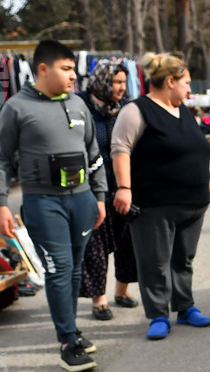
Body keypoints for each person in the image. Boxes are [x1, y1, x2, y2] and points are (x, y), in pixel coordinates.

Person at [0, 39, 107, 372]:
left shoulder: (79, 105)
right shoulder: (17, 107)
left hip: (82, 201)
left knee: (73, 269)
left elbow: (94, 156)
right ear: (43, 69)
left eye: (73, 69)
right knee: (57, 271)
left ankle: (70, 329)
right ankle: (68, 342)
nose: (73, 76)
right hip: (44, 203)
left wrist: (99, 197)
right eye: (66, 69)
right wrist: (0, 204)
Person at [110, 53, 210, 340]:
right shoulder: (137, 110)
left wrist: (206, 181)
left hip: (193, 202)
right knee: (154, 261)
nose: (189, 89)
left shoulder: (183, 110)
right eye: (185, 83)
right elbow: (120, 149)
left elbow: (193, 150)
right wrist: (124, 188)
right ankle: (158, 315)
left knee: (183, 259)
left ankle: (185, 307)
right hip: (154, 204)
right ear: (169, 81)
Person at [76, 60, 140, 321]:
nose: (121, 88)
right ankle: (99, 300)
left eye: (124, 83)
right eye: (116, 82)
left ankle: (121, 292)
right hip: (93, 187)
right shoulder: (81, 105)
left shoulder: (126, 107)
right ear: (102, 81)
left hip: (124, 185)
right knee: (96, 246)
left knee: (128, 242)